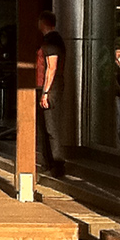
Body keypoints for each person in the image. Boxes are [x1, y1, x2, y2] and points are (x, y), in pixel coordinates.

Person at [37, 11, 66, 177]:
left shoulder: (52, 41)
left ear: (43, 22)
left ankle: (57, 164)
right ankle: (48, 162)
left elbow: (52, 67)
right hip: (46, 88)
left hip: (51, 89)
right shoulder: (49, 40)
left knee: (51, 127)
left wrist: (46, 92)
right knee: (45, 127)